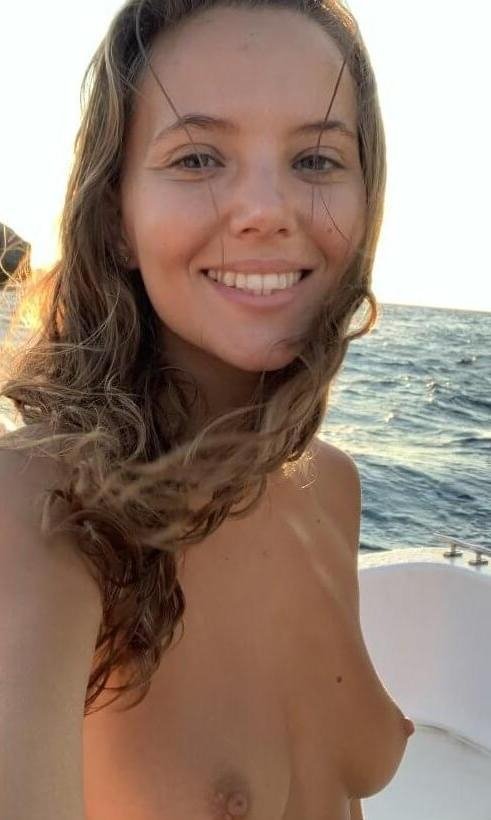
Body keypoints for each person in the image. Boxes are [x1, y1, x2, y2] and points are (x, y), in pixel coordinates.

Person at [0, 0, 415, 818]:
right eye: (196, 158)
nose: (266, 210)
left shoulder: (331, 486)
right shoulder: (37, 513)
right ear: (115, 216)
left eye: (316, 159)